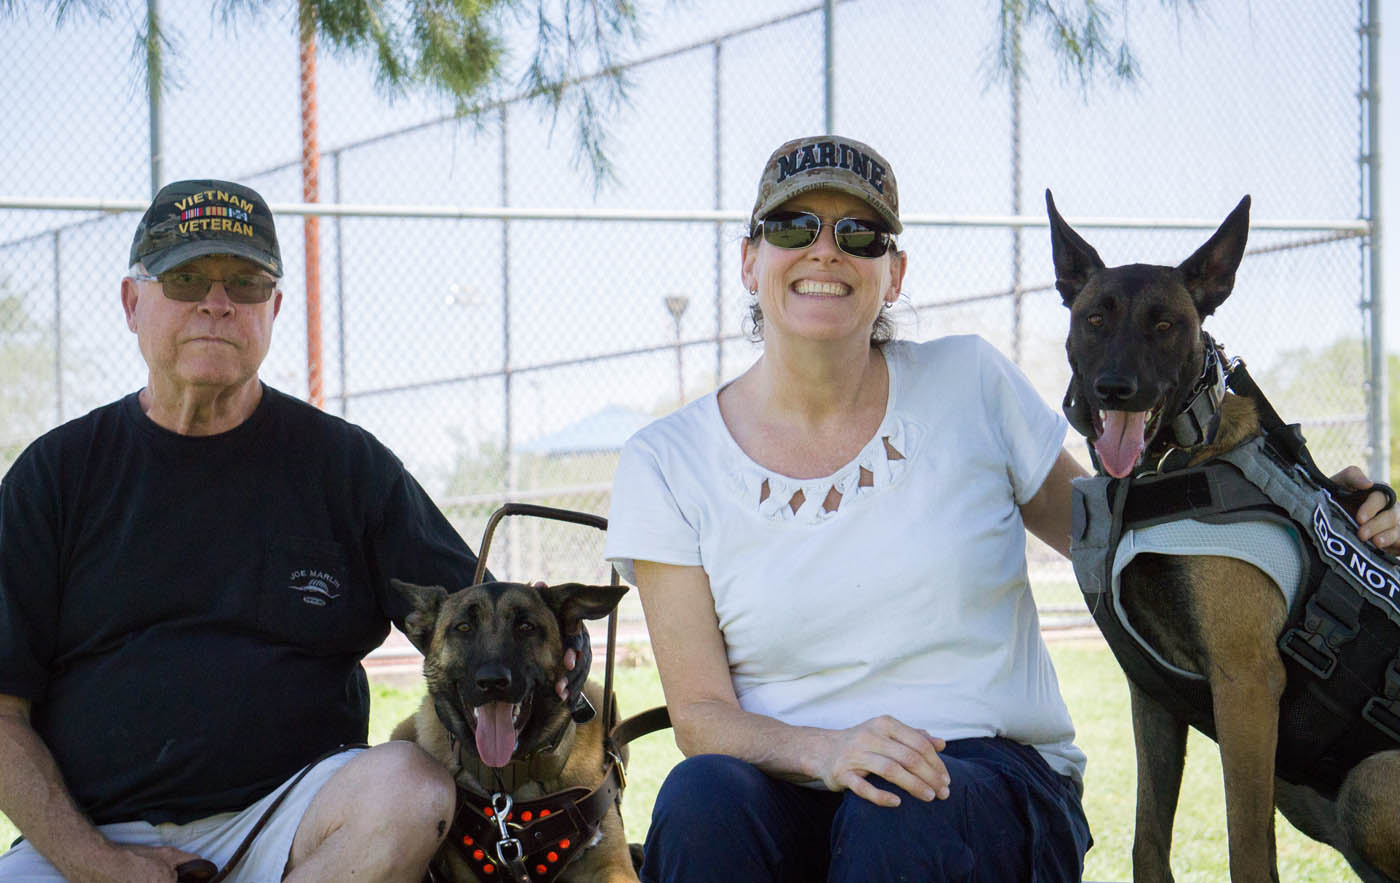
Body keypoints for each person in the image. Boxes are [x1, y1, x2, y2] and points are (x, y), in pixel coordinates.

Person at [602, 135, 1400, 882]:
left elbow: (1124, 535)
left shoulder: (968, 384)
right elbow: (701, 716)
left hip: (987, 774)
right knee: (699, 801)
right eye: (794, 225)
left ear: (896, 273)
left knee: (902, 817)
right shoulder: (668, 460)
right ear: (750, 260)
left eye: (861, 235)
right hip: (788, 771)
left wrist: (1320, 524)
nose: (825, 249)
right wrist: (831, 750)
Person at [0, 179, 587, 883]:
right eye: (187, 277)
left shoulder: (345, 466)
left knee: (409, 789)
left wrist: (561, 643)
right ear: (132, 301)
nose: (217, 302)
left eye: (246, 284)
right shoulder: (57, 475)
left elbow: (473, 615)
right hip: (92, 836)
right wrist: (102, 864)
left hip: (298, 827)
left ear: (273, 308)